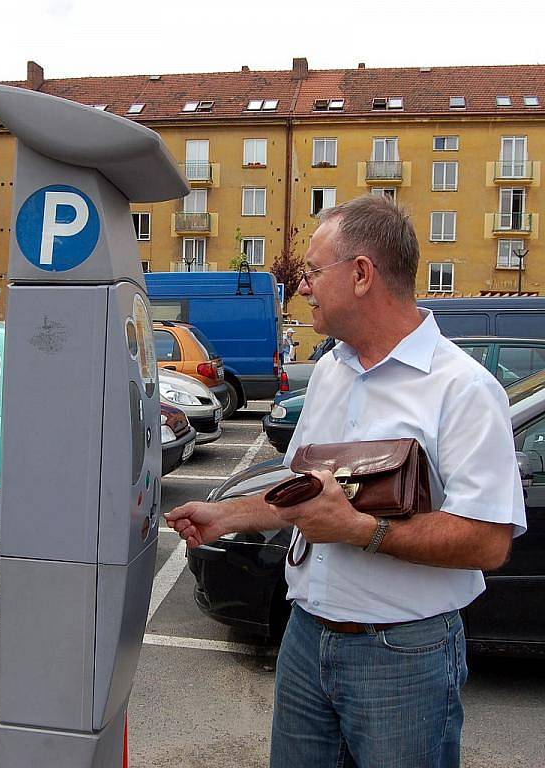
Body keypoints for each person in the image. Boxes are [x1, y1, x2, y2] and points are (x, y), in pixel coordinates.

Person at [166, 195, 526, 768]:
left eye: (312, 271)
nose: (302, 287)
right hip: (307, 638)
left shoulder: (463, 389)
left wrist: (361, 529)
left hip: (404, 655)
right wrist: (227, 517)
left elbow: (488, 541)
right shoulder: (334, 368)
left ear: (362, 275)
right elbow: (305, 493)